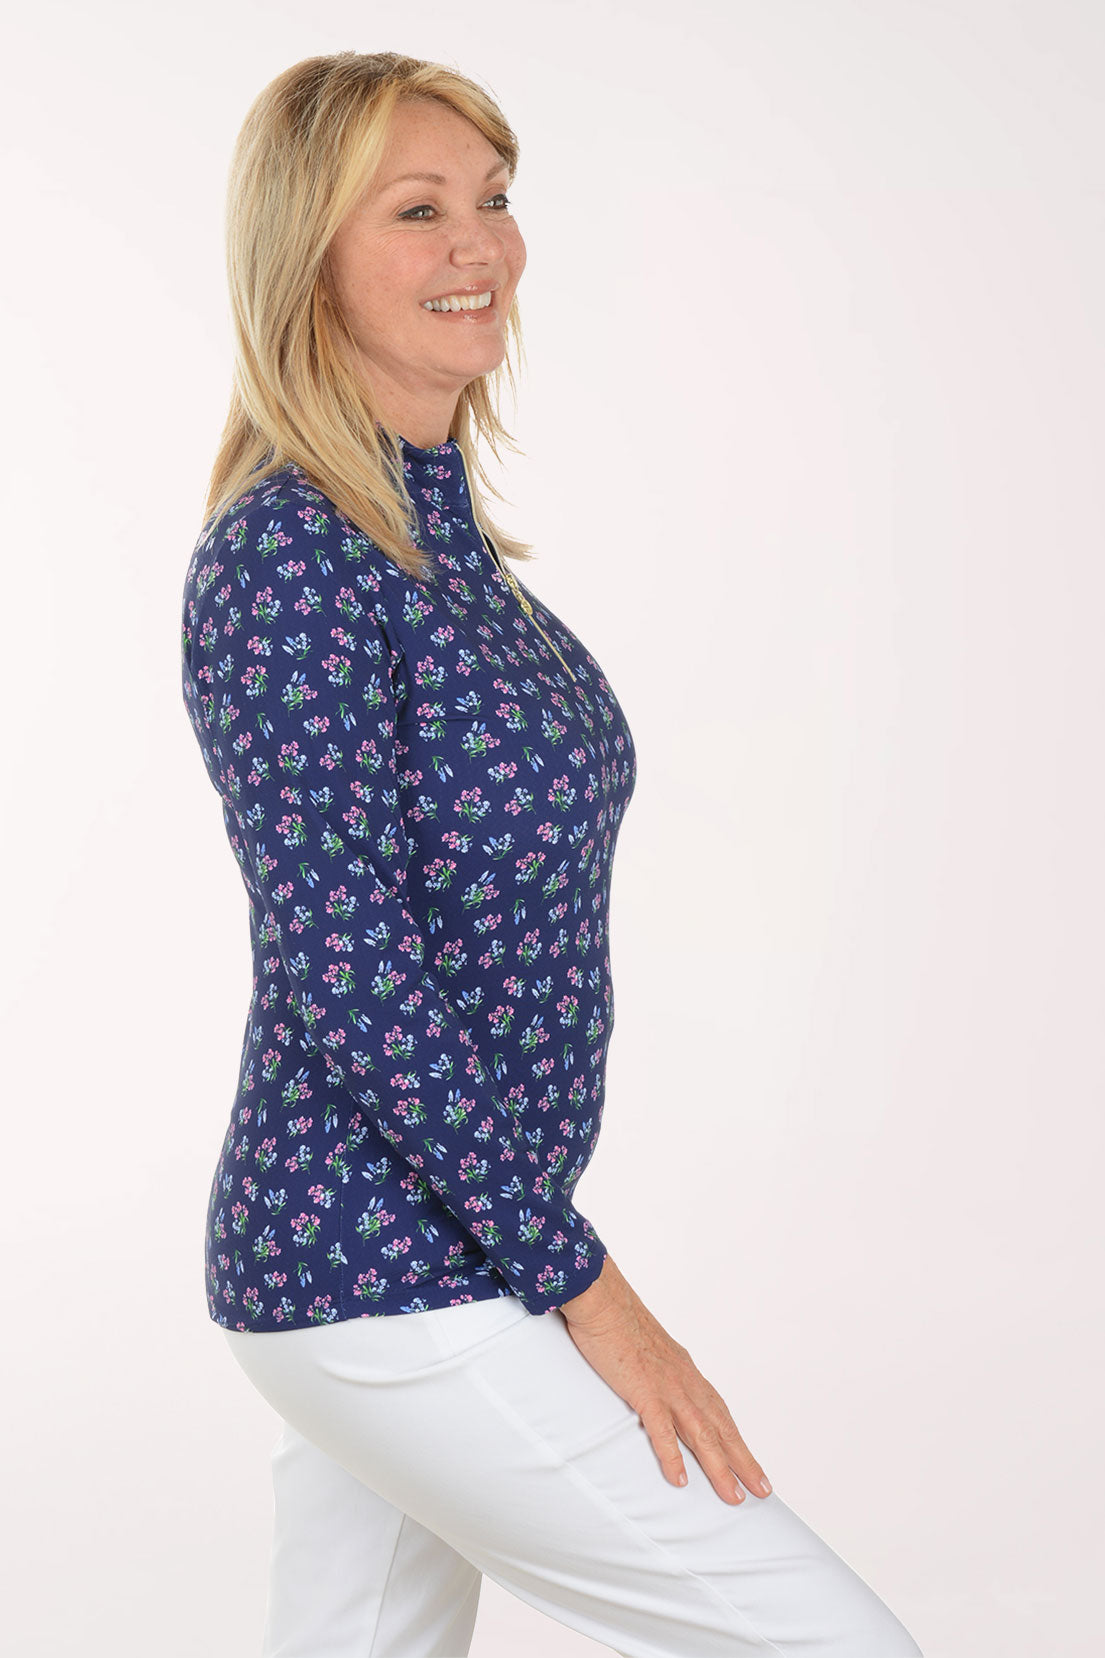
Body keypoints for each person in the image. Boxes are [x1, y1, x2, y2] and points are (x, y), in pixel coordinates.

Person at [180, 49, 925, 1658]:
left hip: (455, 1244)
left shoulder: (439, 544)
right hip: (376, 1267)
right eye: (420, 210)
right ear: (306, 251)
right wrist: (595, 1299)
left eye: (496, 201)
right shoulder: (292, 558)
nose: (481, 246)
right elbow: (344, 967)